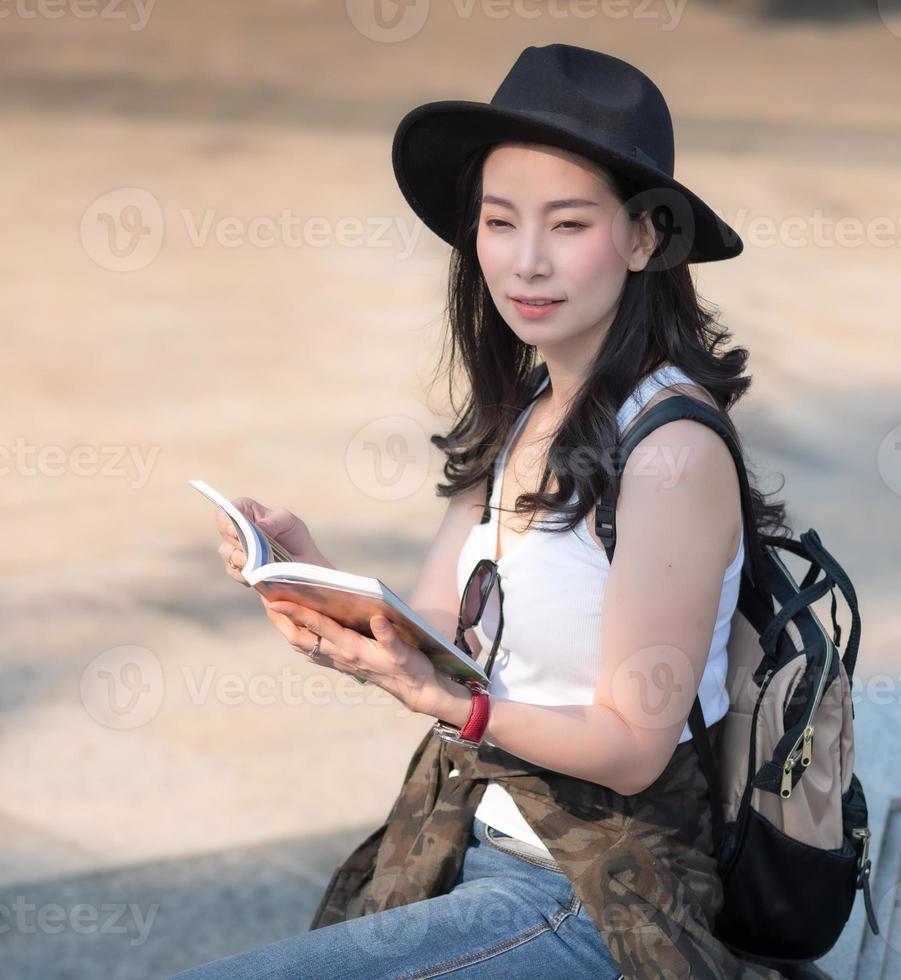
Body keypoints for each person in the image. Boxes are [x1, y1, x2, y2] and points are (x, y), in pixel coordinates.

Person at [181, 43, 793, 980]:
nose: (528, 259)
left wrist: (455, 710)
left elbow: (631, 748)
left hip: (595, 896)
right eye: (501, 221)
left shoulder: (672, 450)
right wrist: (313, 579)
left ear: (642, 238)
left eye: (570, 223)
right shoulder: (523, 409)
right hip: (462, 842)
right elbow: (437, 640)